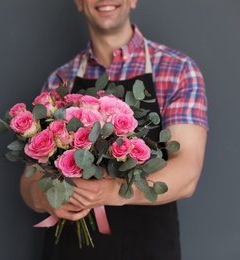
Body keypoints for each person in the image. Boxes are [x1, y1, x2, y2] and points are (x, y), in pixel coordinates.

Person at [20, 0, 208, 259]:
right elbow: (28, 182)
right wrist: (47, 197)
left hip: (147, 248)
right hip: (67, 251)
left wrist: (113, 191)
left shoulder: (177, 70)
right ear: (79, 2)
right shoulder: (60, 80)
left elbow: (187, 172)